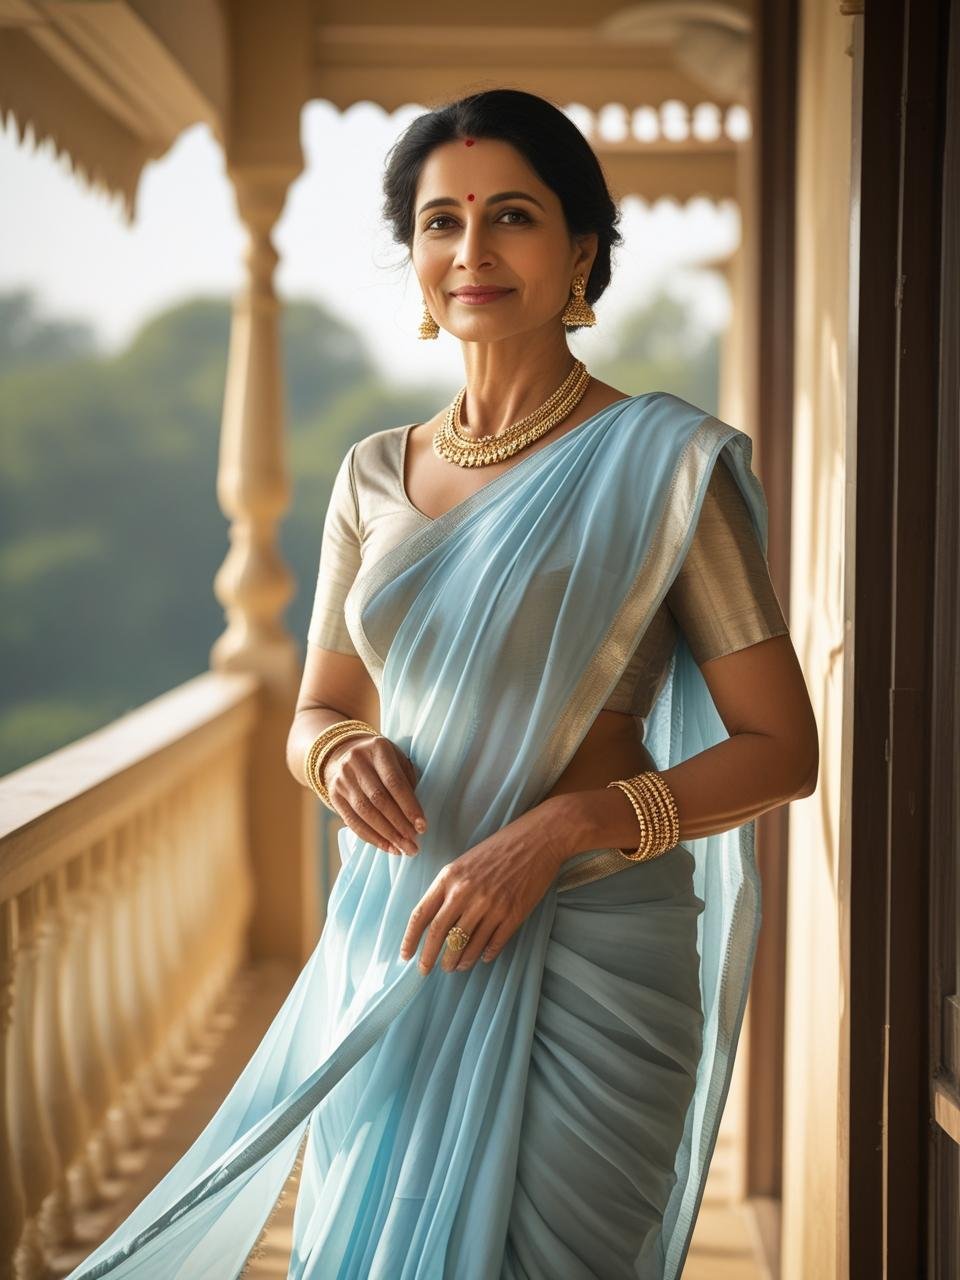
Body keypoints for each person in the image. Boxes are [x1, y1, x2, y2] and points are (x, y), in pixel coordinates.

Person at [66, 87, 819, 1280]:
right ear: (414, 252)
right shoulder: (372, 474)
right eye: (439, 222)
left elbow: (784, 748)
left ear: (581, 250)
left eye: (510, 216)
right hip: (405, 937)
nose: (470, 252)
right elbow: (316, 707)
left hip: (595, 952)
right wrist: (335, 751)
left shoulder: (669, 464)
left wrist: (563, 826)